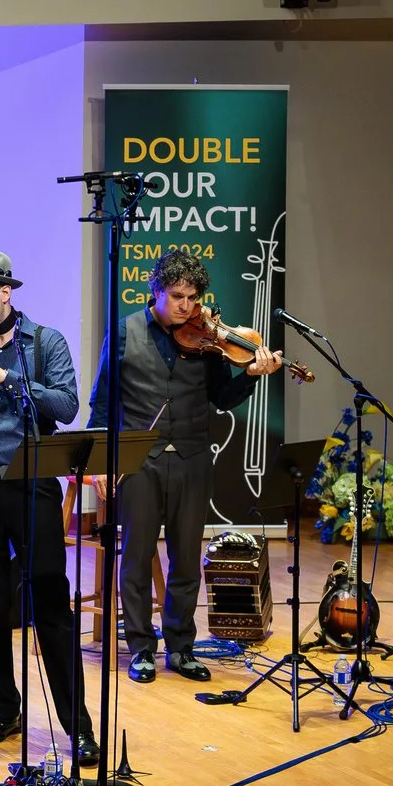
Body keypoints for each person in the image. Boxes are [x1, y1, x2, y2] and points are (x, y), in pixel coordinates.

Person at [87, 247, 283, 685]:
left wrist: (251, 376)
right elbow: (103, 402)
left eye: (193, 298)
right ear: (155, 291)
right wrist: (101, 461)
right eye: (178, 296)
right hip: (140, 462)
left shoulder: (208, 339)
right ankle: (140, 647)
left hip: (194, 459)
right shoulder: (123, 333)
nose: (187, 307)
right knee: (136, 557)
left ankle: (180, 646)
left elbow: (222, 398)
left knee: (186, 561)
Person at [0, 249, 96, 756]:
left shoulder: (44, 343)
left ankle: (80, 727)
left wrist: (5, 377)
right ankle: (5, 710)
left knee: (50, 600)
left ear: (6, 292)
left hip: (32, 481)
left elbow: (67, 405)